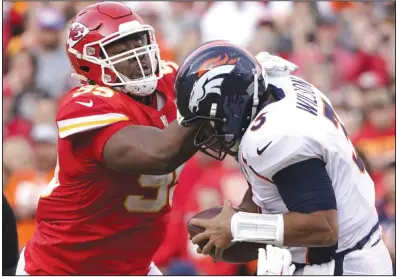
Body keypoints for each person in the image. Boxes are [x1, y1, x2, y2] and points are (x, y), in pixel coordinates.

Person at [174, 41, 393, 275]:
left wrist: (239, 226)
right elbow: (277, 182)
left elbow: (324, 227)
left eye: (210, 123)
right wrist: (243, 211)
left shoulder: (276, 136)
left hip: (344, 264)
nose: (209, 134)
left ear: (233, 107)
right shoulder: (277, 88)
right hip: (345, 252)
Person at [16, 2, 200, 275]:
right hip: (63, 267)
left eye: (139, 42)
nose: (138, 55)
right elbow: (159, 154)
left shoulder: (172, 80)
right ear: (89, 61)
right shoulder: (86, 103)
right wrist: (207, 107)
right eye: (121, 49)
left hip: (133, 266)